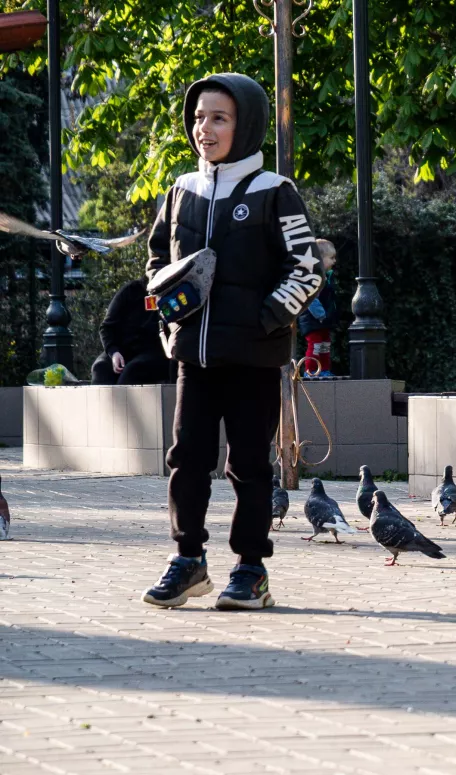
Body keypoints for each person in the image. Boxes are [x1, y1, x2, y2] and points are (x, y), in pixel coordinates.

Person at [140, 72, 323, 611]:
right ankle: (188, 561)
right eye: (198, 118)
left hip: (253, 357)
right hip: (193, 357)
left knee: (249, 465)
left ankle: (250, 570)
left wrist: (266, 319)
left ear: (245, 124)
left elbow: (307, 268)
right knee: (186, 459)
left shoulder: (276, 192)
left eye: (219, 118)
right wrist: (168, 320)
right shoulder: (181, 190)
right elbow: (156, 264)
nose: (205, 129)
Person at [90, 277, 172, 385]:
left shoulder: (173, 293)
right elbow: (107, 327)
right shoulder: (131, 290)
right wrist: (114, 352)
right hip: (124, 350)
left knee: (132, 372)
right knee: (100, 368)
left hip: (156, 352)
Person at [297, 239, 339, 377]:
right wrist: (321, 315)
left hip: (324, 319)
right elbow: (311, 299)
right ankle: (311, 371)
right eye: (331, 258)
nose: (334, 261)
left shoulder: (326, 276)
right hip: (314, 319)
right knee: (315, 344)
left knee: (325, 344)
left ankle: (324, 370)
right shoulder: (314, 277)